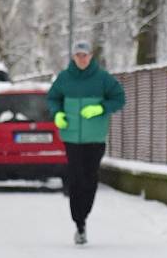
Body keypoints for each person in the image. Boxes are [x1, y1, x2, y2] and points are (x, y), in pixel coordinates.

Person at [47, 40, 125, 245]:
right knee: (75, 177)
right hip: (72, 137)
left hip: (95, 137)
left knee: (90, 178)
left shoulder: (102, 79)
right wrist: (58, 114)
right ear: (73, 57)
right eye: (78, 55)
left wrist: (100, 108)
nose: (82, 59)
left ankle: (84, 215)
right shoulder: (64, 78)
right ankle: (78, 221)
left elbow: (119, 98)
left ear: (91, 57)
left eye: (85, 55)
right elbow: (53, 98)